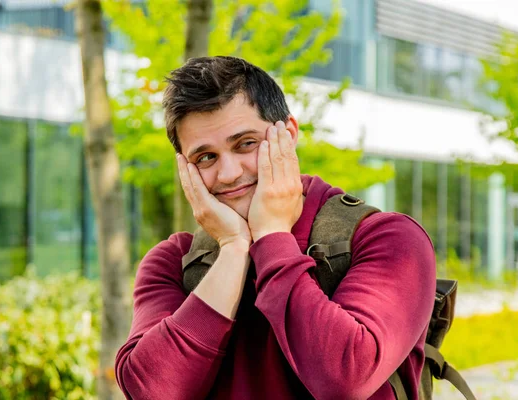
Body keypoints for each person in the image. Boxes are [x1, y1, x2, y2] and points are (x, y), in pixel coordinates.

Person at [115, 56, 436, 399]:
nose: (229, 173)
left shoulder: (389, 239)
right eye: (205, 157)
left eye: (245, 144)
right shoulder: (171, 262)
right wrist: (235, 247)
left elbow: (346, 378)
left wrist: (271, 236)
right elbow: (149, 391)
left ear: (289, 134)